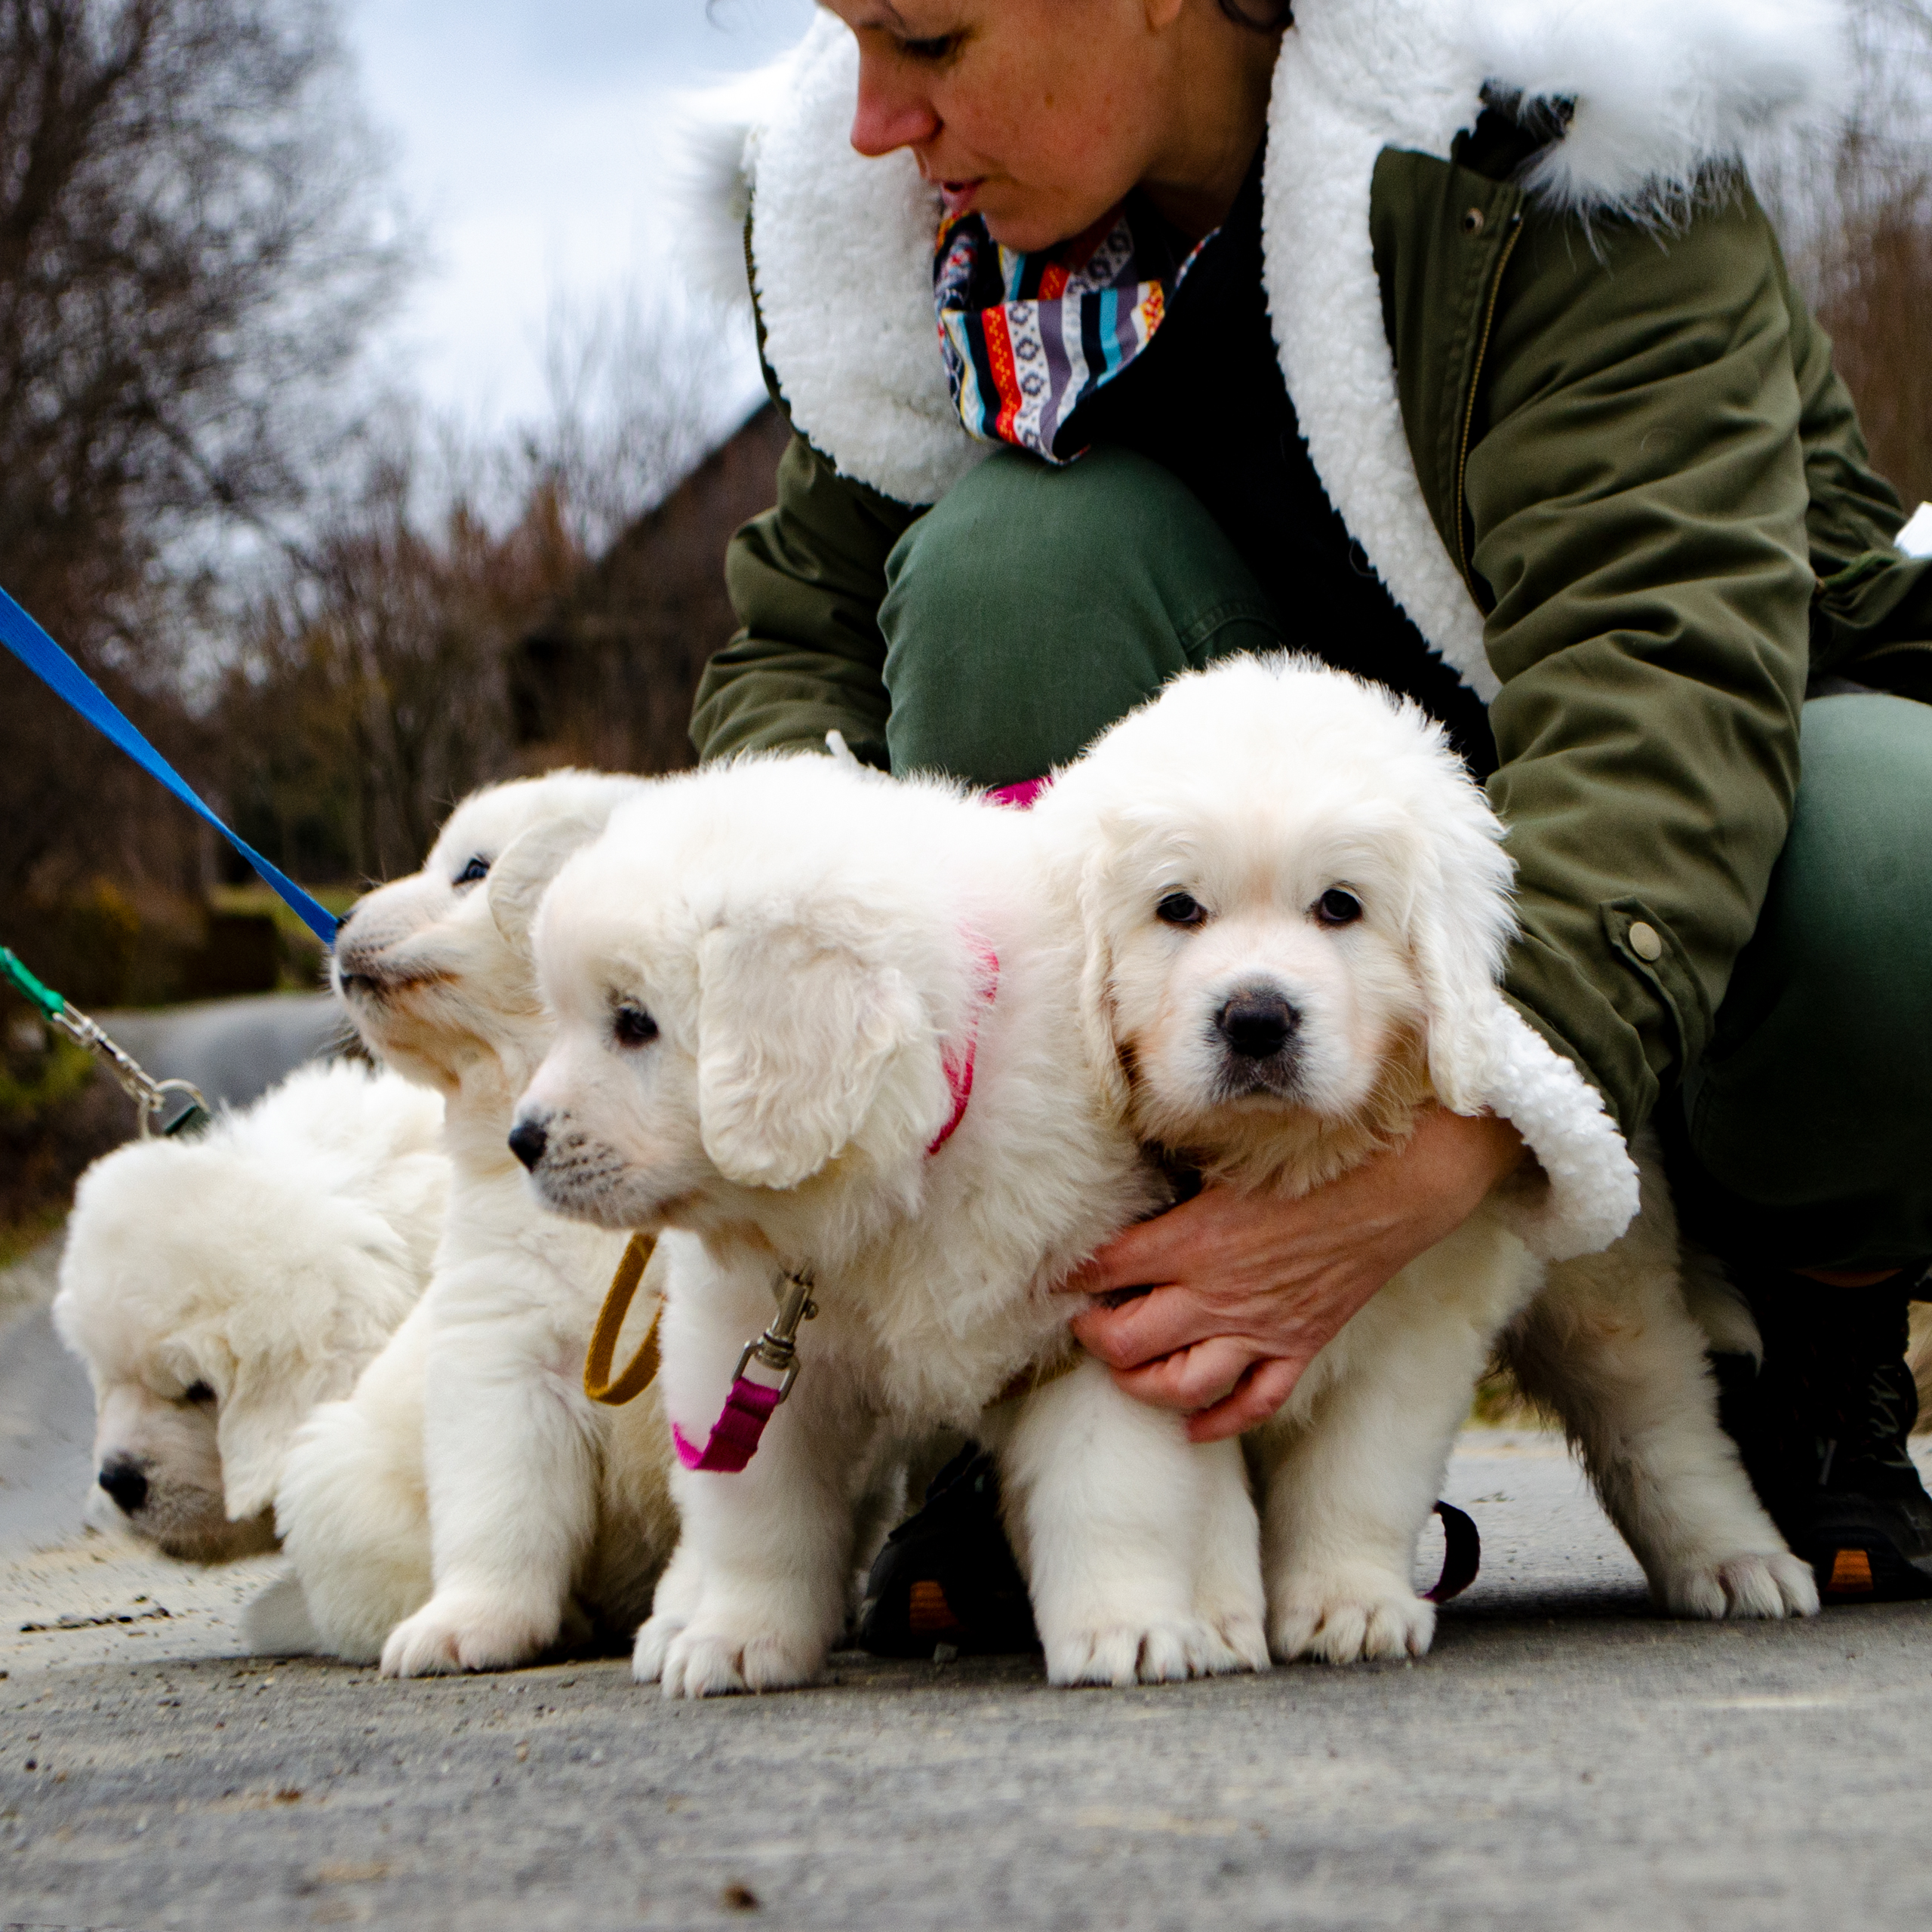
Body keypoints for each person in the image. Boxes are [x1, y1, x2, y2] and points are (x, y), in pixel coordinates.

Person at [689, 0, 1932, 1601]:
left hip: (1649, 831)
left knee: (1893, 856)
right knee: (1011, 569)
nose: (874, 118)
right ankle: (1053, 1374)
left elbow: (1659, 677)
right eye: (851, 37)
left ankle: (1805, 1338)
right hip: (1227, 918)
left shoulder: (1542, 118)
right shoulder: (893, 236)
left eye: (929, 38)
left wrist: (1410, 1184)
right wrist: (776, 984)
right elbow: (799, 659)